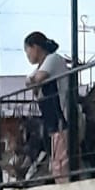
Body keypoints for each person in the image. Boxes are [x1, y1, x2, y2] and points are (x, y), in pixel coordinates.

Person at [24, 31, 69, 181]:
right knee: (56, 161)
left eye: (27, 50)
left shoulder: (53, 59)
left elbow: (37, 78)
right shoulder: (43, 65)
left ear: (35, 47)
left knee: (60, 163)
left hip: (63, 117)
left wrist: (33, 80)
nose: (27, 55)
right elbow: (32, 83)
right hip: (54, 121)